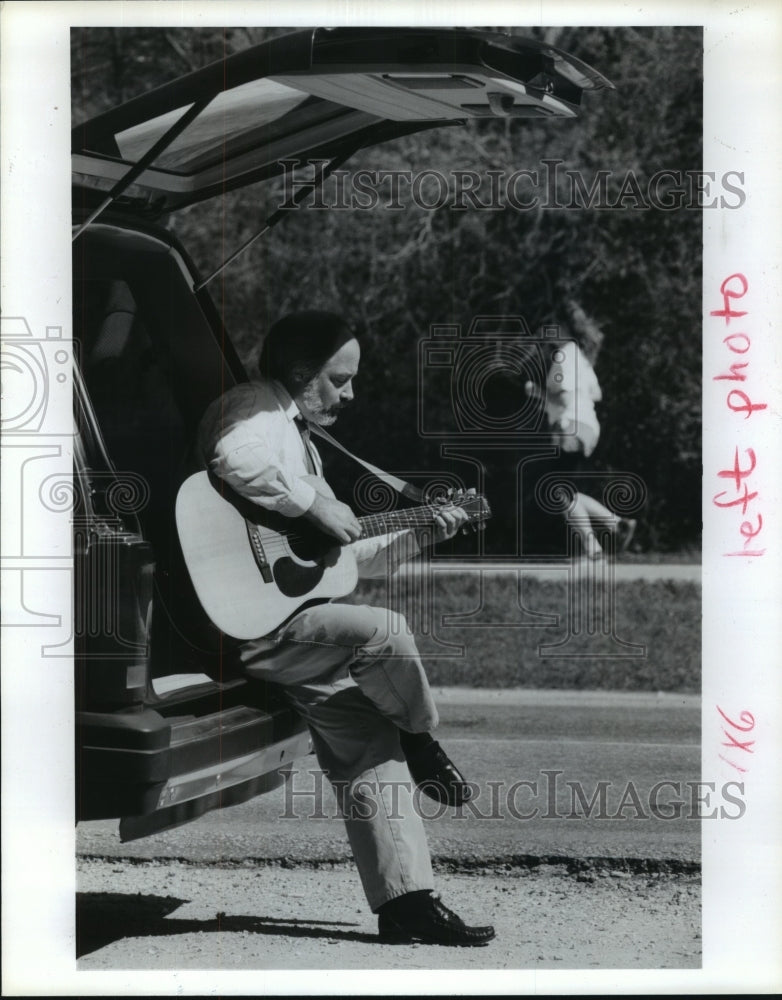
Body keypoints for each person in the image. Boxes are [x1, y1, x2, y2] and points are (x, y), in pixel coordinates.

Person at [197, 310, 495, 946]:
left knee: (366, 746)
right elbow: (230, 456)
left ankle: (407, 905)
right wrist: (315, 503)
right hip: (254, 626)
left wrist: (420, 532)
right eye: (341, 379)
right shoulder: (253, 410)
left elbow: (333, 565)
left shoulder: (298, 439)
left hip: (293, 619)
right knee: (384, 630)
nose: (351, 394)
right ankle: (422, 740)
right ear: (303, 374)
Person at [524, 302, 636, 560]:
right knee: (563, 490)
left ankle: (593, 549)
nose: (544, 333)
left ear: (561, 329)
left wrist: (536, 391)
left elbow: (562, 400)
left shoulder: (564, 356)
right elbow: (596, 393)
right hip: (587, 427)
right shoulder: (581, 358)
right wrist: (544, 398)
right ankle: (616, 524)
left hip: (570, 427)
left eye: (548, 328)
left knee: (558, 491)